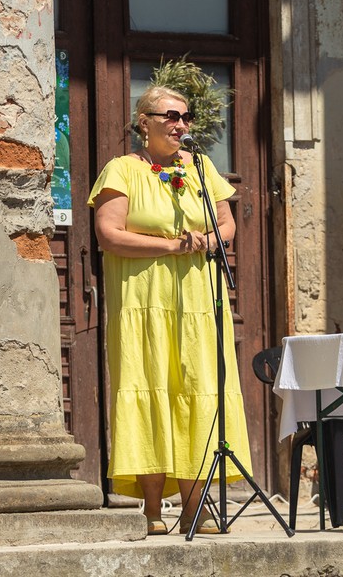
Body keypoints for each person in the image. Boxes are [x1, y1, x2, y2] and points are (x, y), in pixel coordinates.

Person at [87, 85, 252, 536]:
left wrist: (206, 239)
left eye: (186, 116)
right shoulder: (122, 170)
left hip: (198, 298)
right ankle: (153, 509)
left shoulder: (200, 166)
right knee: (150, 387)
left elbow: (227, 224)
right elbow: (109, 234)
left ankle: (196, 508)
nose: (181, 124)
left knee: (197, 389)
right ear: (144, 122)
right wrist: (173, 246)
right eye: (171, 116)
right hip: (144, 300)